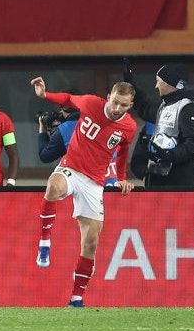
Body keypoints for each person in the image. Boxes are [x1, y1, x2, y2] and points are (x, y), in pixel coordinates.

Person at [30, 77, 138, 307]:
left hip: (94, 183)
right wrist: (45, 94)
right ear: (108, 97)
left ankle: (76, 299)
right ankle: (44, 243)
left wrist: (121, 178)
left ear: (130, 106)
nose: (117, 108)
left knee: (91, 242)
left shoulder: (129, 127)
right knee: (53, 187)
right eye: (115, 102)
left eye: (123, 105)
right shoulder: (91, 103)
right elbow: (68, 99)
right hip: (71, 167)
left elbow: (123, 150)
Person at [141, 64, 194, 187]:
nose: (156, 86)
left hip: (179, 183)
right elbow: (146, 109)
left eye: (158, 81)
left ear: (168, 83)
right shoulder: (165, 105)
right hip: (160, 179)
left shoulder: (188, 108)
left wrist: (169, 155)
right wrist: (131, 84)